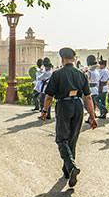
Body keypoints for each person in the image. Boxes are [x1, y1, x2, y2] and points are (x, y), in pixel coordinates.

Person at [40, 47, 99, 188]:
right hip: (78, 106)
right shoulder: (81, 74)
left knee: (61, 139)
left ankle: (71, 167)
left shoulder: (58, 74)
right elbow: (88, 97)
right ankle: (67, 171)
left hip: (64, 105)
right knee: (72, 139)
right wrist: (92, 116)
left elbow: (49, 96)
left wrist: (44, 110)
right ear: (74, 59)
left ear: (63, 59)